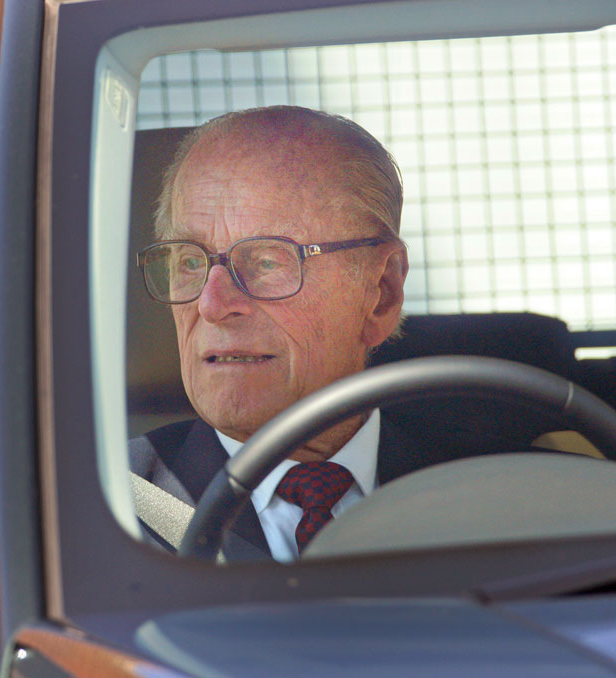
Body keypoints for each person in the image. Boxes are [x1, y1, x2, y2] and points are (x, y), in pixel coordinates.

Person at [131, 105, 422, 562]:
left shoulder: (508, 495)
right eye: (190, 261)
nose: (211, 305)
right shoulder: (91, 511)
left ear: (381, 292)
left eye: (268, 261)